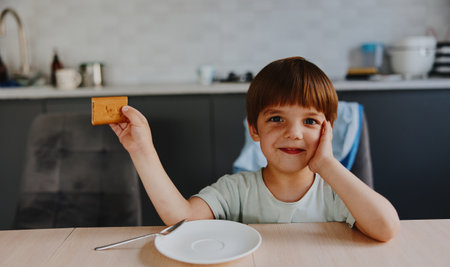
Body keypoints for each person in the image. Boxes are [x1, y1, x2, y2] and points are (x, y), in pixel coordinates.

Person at [110, 57, 400, 242]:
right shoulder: (236, 190)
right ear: (254, 129)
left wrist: (327, 164)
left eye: (310, 121)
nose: (294, 133)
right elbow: (180, 218)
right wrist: (142, 150)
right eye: (276, 119)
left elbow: (386, 229)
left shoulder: (336, 191)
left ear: (328, 130)